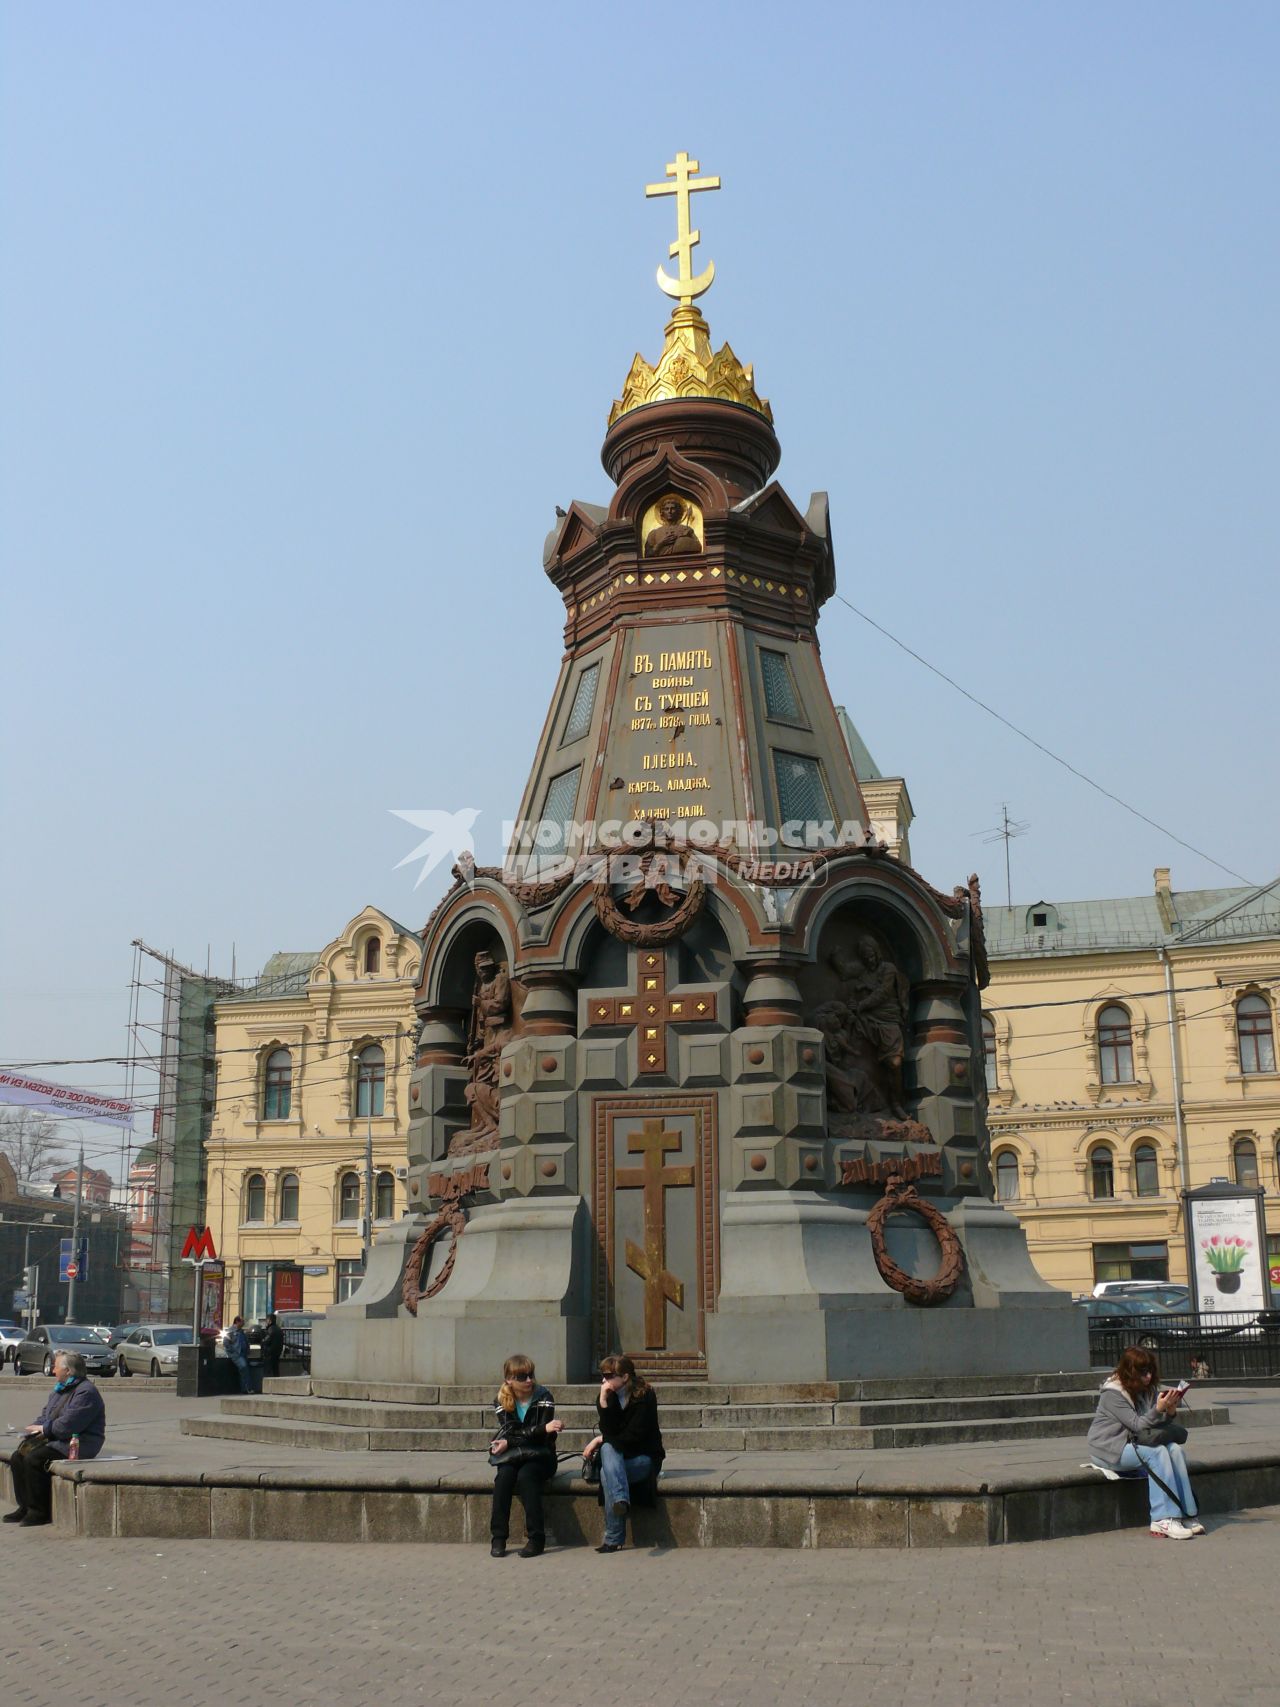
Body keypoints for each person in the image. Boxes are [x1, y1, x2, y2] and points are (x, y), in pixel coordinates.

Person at [1087, 1346, 1204, 1539]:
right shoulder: (1113, 1393)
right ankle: (1162, 1519)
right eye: (1143, 1372)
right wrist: (1158, 1409)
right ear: (1129, 1371)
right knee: (1157, 1454)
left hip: (1134, 1443)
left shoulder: (1144, 1389)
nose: (1148, 1376)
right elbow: (1137, 1425)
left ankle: (1187, 1513)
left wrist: (1170, 1411)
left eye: (1150, 1371)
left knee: (1174, 1450)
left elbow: (1151, 1427)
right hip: (1109, 1448)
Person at [4, 1350, 105, 1528]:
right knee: (17, 1456)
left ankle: (39, 1511)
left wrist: (44, 1429)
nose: (52, 1371)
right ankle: (25, 1506)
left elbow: (69, 1426)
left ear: (68, 1371)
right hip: (59, 1438)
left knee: (34, 1459)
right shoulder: (60, 1389)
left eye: (56, 1367)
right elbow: (46, 1416)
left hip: (79, 1442)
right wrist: (33, 1429)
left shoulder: (86, 1393)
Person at [583, 1354, 664, 1553]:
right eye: (603, 1375)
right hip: (618, 1459)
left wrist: (599, 1439)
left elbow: (635, 1435)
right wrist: (603, 1401)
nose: (604, 1380)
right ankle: (620, 1500)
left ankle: (613, 1538)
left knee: (607, 1463)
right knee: (608, 1457)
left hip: (643, 1458)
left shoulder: (644, 1395)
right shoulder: (606, 1396)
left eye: (609, 1375)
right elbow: (611, 1430)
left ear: (625, 1377)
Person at [488, 1354, 563, 1559]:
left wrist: (511, 1441)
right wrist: (539, 1429)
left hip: (542, 1457)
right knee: (503, 1478)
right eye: (522, 1377)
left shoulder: (544, 1397)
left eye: (531, 1375)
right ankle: (499, 1537)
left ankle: (536, 1539)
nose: (529, 1380)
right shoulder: (501, 1400)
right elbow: (514, 1433)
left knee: (527, 1477)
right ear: (509, 1380)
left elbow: (542, 1440)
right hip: (515, 1456)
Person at [225, 1316, 254, 1394]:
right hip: (237, 1355)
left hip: (243, 1354)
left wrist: (247, 1350)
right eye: (242, 1321)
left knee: (244, 1370)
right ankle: (249, 1388)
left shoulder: (241, 1331)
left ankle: (244, 1389)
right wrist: (233, 1352)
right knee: (244, 1367)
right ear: (237, 1322)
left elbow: (245, 1341)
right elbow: (226, 1343)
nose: (244, 1323)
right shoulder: (230, 1331)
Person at [259, 1313, 285, 1380]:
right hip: (277, 1353)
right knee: (276, 1370)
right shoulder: (278, 1329)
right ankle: (277, 1385)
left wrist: (262, 1339)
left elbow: (266, 1341)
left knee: (268, 1372)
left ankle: (268, 1388)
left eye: (266, 1320)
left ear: (269, 1321)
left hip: (269, 1354)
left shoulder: (271, 1329)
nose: (265, 1322)